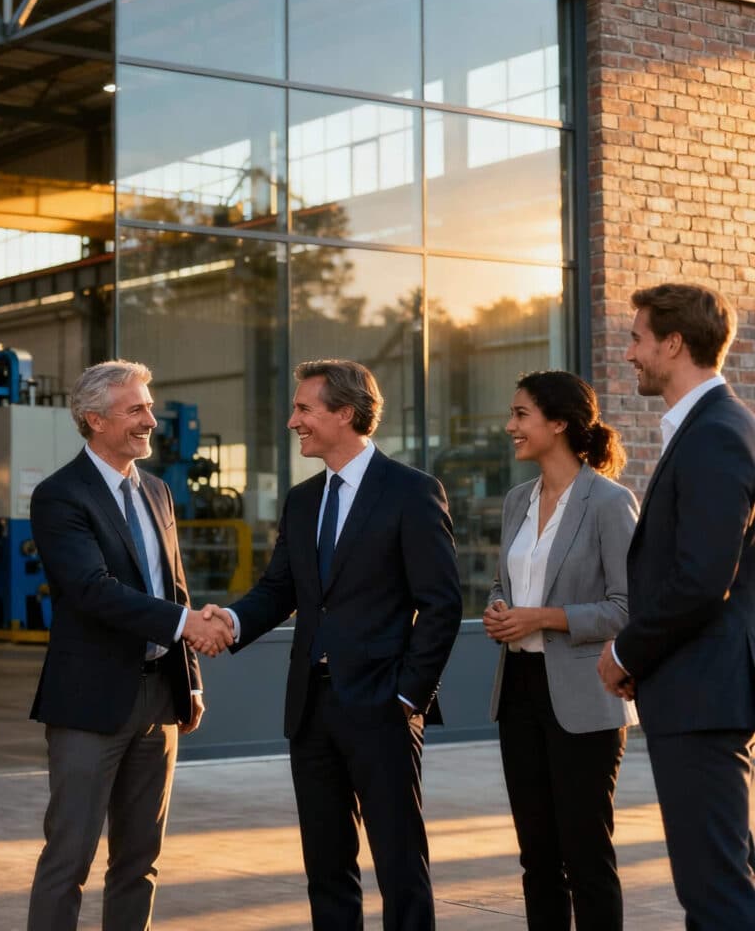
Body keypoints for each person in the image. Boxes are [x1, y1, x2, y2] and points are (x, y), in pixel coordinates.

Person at [207, 358, 463, 931]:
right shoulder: (302, 501)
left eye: (303, 408)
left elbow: (443, 603)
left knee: (399, 864)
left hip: (384, 708)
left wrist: (408, 698)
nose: (293, 421)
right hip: (311, 706)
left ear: (345, 413)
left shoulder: (412, 492)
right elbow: (280, 590)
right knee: (325, 865)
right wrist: (229, 619)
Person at [26, 360, 232, 931]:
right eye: (136, 409)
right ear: (94, 419)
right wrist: (187, 623)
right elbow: (92, 590)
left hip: (159, 701)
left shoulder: (158, 491)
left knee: (140, 862)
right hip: (89, 704)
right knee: (68, 860)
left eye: (149, 405)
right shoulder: (59, 496)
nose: (151, 420)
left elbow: (175, 586)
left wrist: (189, 680)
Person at [597, 282, 755, 928]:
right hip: (695, 684)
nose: (628, 352)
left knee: (714, 891)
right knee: (713, 883)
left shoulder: (717, 431)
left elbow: (700, 578)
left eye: (636, 338)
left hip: (703, 691)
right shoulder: (707, 427)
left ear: (674, 342)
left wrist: (623, 650)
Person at [482, 371, 638, 930]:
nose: (510, 426)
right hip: (519, 692)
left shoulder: (610, 502)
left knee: (586, 855)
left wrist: (542, 617)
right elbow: (507, 582)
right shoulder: (517, 500)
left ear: (559, 423)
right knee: (537, 858)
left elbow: (626, 608)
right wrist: (499, 608)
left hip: (584, 696)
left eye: (521, 415)